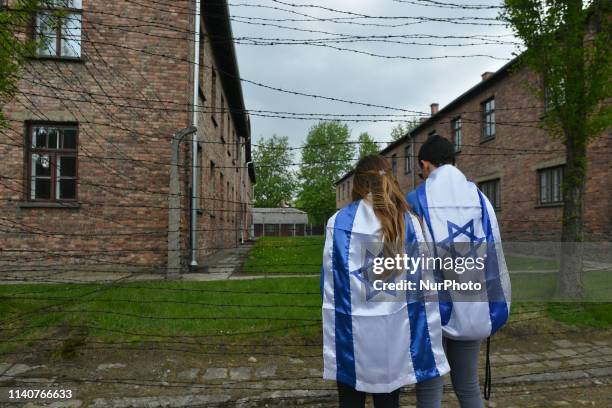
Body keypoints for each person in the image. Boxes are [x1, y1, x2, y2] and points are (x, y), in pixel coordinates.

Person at [321, 155, 449, 408]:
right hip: (394, 337)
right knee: (389, 401)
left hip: (351, 337)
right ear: (389, 178)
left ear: (357, 183)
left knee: (349, 400)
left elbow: (329, 282)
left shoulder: (338, 222)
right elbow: (423, 283)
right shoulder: (408, 222)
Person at [408, 135, 511, 408]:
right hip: (475, 304)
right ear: (454, 161)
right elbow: (494, 253)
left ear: (425, 165)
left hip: (432, 309)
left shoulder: (416, 200)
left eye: (421, 171)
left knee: (429, 390)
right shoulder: (479, 197)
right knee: (468, 388)